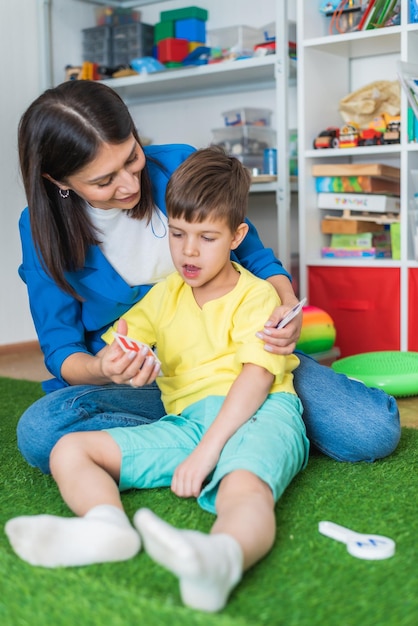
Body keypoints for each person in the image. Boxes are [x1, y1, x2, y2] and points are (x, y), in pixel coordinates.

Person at [16, 80, 399, 475]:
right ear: (58, 181)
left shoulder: (181, 166)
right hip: (142, 385)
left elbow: (257, 259)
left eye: (132, 157)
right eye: (104, 181)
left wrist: (285, 307)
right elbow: (61, 348)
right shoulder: (40, 230)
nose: (129, 184)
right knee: (42, 432)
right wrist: (103, 370)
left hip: (240, 360)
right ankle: (249, 436)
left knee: (370, 430)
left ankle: (192, 438)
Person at [6, 147, 310, 613]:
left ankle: (222, 558)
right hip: (188, 421)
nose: (188, 251)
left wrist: (209, 450)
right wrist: (118, 357)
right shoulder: (166, 293)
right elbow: (118, 342)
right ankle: (107, 527)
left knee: (243, 489)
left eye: (207, 237)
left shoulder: (257, 295)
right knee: (69, 448)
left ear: (237, 236)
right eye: (178, 233)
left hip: (260, 412)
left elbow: (255, 379)